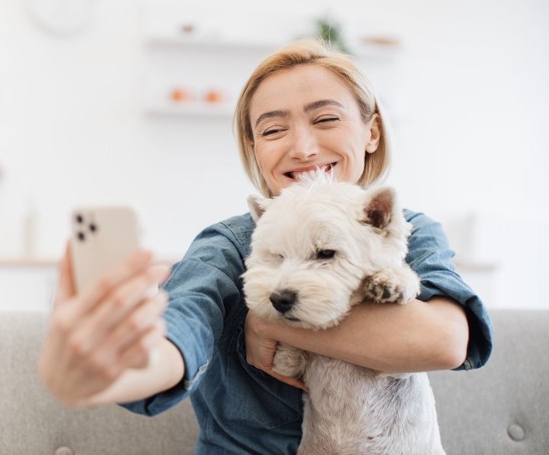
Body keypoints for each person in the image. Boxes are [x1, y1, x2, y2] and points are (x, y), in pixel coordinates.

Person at [38, 38, 493, 453]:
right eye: (273, 130)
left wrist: (272, 322)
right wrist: (113, 370)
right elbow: (185, 322)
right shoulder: (230, 244)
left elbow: (447, 342)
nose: (303, 147)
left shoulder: (408, 228)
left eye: (326, 118)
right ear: (254, 148)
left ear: (371, 131)